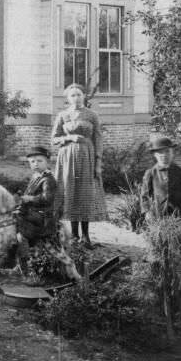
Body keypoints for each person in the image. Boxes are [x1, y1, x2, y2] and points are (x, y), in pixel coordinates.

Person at [51, 83, 107, 249]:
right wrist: (69, 138)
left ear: (84, 96)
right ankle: (74, 236)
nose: (76, 98)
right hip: (67, 159)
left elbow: (98, 140)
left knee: (85, 194)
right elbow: (54, 139)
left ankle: (86, 236)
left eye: (79, 94)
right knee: (71, 193)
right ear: (68, 98)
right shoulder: (62, 115)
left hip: (87, 158)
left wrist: (98, 163)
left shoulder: (92, 115)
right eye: (72, 95)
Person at [140, 134, 181, 222]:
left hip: (179, 215)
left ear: (172, 152)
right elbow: (144, 196)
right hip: (158, 216)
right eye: (160, 152)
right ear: (155, 154)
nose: (164, 155)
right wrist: (147, 211)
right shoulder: (150, 173)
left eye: (167, 151)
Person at [17, 146, 58, 247]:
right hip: (32, 212)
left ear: (47, 162)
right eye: (32, 161)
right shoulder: (36, 176)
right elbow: (28, 192)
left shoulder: (48, 179)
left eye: (40, 161)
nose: (36, 164)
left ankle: (24, 253)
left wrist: (29, 199)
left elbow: (47, 198)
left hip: (42, 215)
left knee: (17, 221)